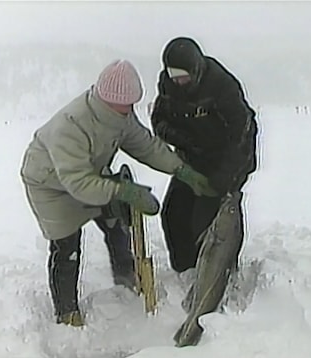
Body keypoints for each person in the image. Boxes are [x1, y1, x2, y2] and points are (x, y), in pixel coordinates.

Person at [19, 59, 217, 327]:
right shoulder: (72, 125)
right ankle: (67, 314)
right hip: (49, 183)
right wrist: (125, 192)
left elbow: (145, 145)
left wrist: (181, 170)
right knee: (67, 247)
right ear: (108, 99)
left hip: (90, 173)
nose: (130, 110)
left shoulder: (120, 116)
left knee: (117, 224)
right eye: (126, 105)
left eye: (133, 104)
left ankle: (126, 283)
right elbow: (78, 184)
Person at [150, 37, 259, 275]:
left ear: (196, 69)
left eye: (183, 76)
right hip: (192, 159)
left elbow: (241, 132)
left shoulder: (222, 85)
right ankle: (186, 271)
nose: (179, 81)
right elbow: (159, 120)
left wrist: (225, 176)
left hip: (228, 158)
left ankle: (220, 275)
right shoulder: (167, 86)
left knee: (208, 220)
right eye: (173, 76)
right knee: (173, 213)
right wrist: (183, 141)